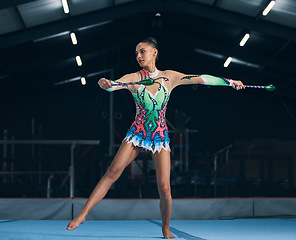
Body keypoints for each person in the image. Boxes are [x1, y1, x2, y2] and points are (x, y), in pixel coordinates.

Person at [67, 37, 245, 239]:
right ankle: (82, 214)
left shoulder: (170, 77)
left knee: (164, 187)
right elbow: (114, 86)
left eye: (142, 51)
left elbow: (201, 78)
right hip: (138, 133)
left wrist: (230, 82)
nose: (139, 56)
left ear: (154, 52)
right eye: (136, 53)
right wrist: (104, 84)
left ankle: (166, 228)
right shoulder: (133, 77)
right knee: (112, 171)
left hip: (159, 136)